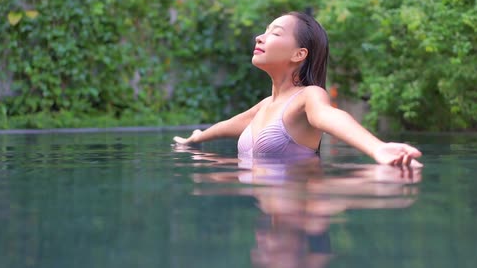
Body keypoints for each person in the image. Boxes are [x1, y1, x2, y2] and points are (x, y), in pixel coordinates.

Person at [173, 11, 422, 166]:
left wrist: (377, 148)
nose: (260, 37)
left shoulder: (308, 96)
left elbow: (329, 116)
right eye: (264, 31)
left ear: (299, 54)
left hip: (302, 211)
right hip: (270, 208)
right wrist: (194, 139)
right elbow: (224, 127)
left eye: (275, 33)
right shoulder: (264, 106)